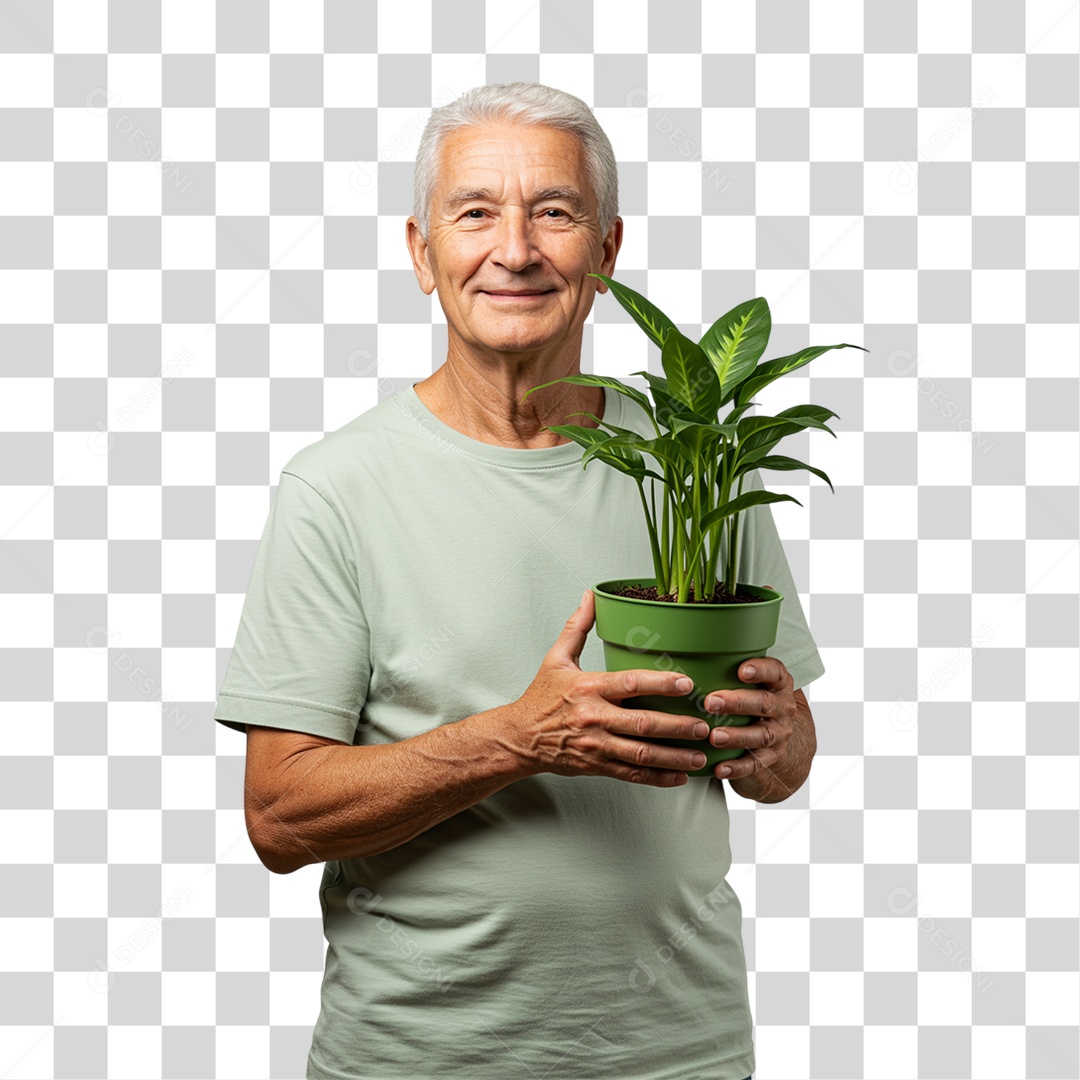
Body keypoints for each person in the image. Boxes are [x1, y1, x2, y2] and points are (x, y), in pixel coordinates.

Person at [214, 82, 824, 1080]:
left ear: (609, 250)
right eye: (476, 213)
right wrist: (519, 737)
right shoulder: (336, 490)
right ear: (421, 252)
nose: (516, 249)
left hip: (680, 1051)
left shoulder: (698, 468)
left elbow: (778, 765)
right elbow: (280, 817)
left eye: (554, 211)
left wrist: (783, 744)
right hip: (417, 1058)